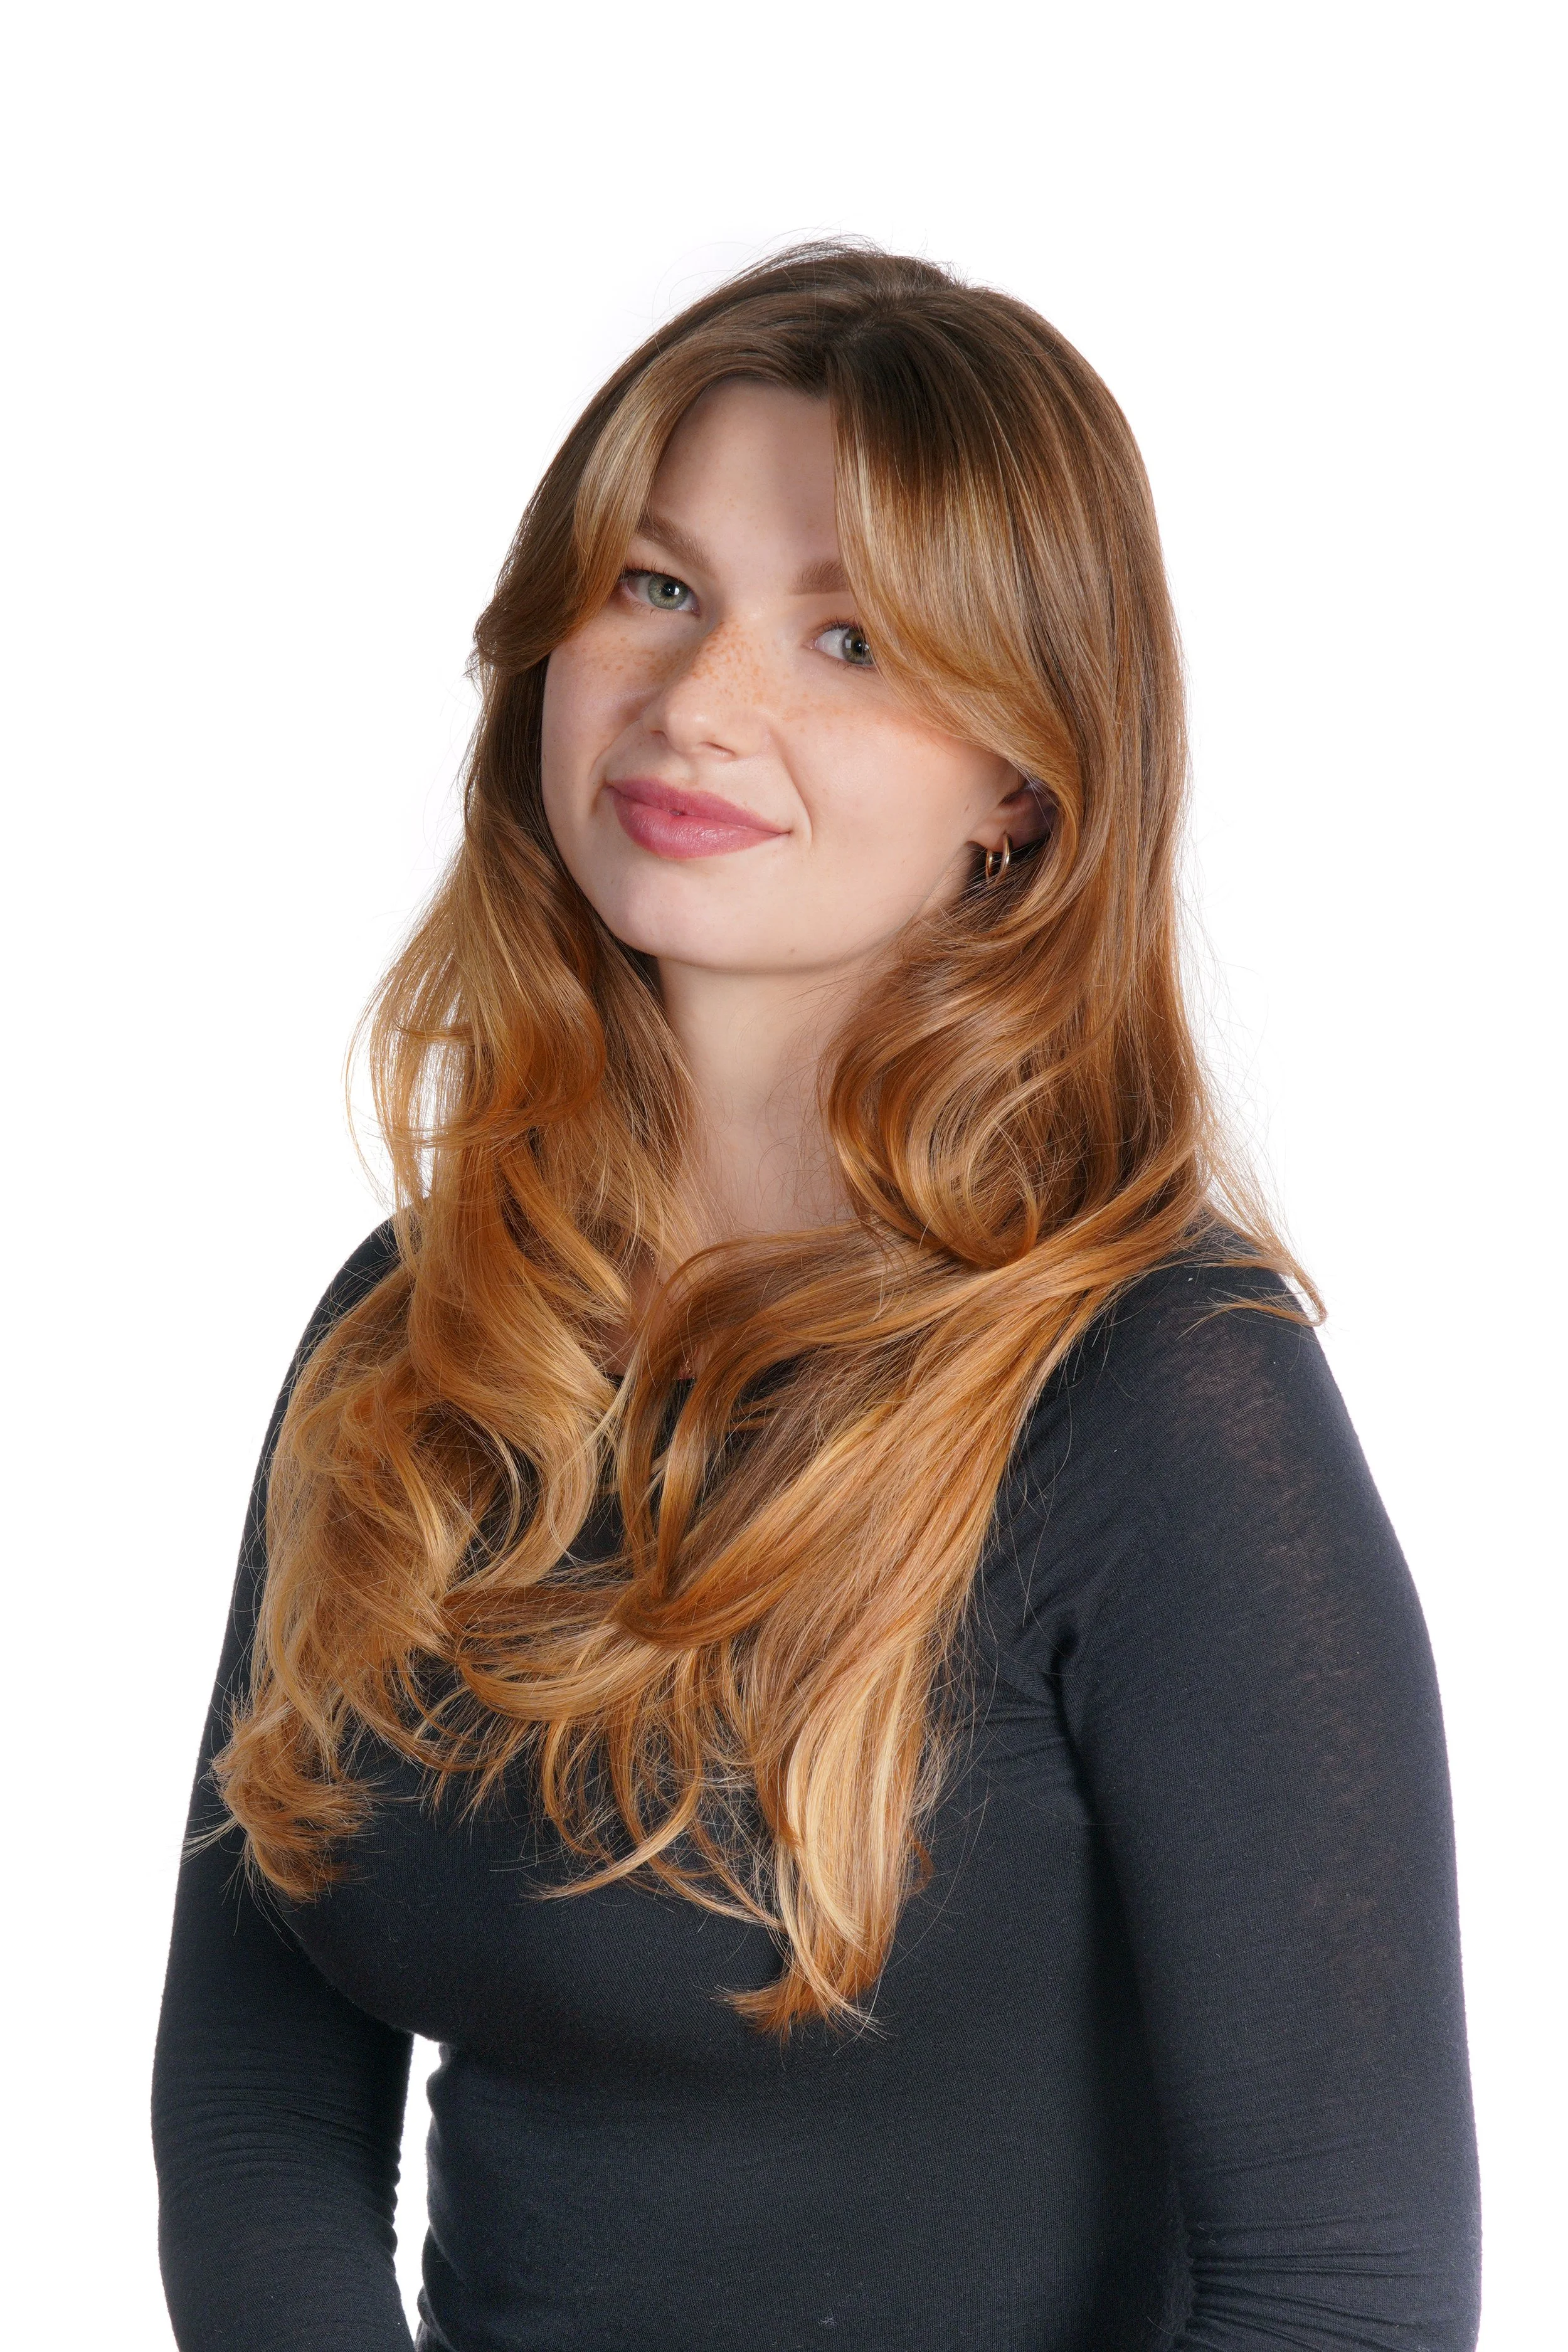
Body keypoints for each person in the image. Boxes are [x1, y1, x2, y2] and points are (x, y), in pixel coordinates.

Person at [152, 243, 1481, 2352]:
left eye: (847, 637)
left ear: (1017, 796)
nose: (700, 707)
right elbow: (250, 2099)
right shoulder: (418, 1327)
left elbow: (1348, 2287)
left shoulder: (1153, 1392)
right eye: (655, 590)